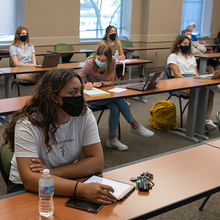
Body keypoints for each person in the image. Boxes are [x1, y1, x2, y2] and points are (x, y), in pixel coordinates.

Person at [1, 68, 118, 205]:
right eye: (73, 92)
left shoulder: (84, 115)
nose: (79, 96)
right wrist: (80, 189)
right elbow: (30, 180)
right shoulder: (27, 123)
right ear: (55, 98)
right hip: (26, 187)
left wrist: (51, 172)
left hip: (67, 178)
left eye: (80, 91)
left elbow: (97, 162)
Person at [78, 45, 154, 151]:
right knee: (118, 98)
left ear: (109, 59)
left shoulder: (113, 61)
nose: (99, 61)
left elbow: (111, 82)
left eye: (103, 60)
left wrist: (101, 83)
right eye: (98, 59)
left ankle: (111, 140)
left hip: (105, 95)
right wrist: (84, 85)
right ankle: (135, 126)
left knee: (115, 107)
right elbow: (77, 78)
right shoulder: (90, 63)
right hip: (91, 98)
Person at [167, 35, 216, 131]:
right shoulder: (173, 56)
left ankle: (207, 120)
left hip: (192, 79)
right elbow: (176, 74)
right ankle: (196, 122)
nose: (187, 46)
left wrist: (197, 80)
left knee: (210, 93)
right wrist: (189, 81)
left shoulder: (191, 57)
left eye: (188, 44)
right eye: (185, 44)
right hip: (179, 81)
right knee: (197, 93)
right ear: (178, 44)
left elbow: (196, 72)